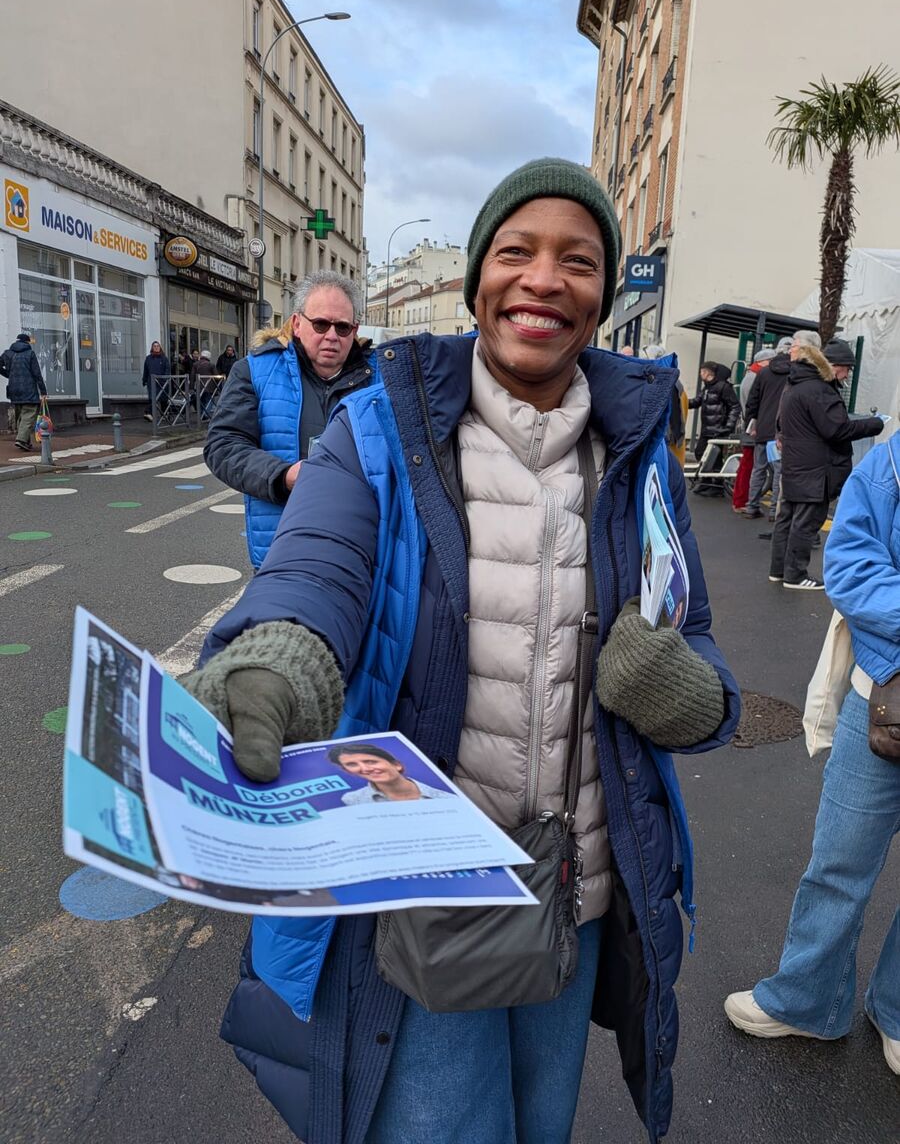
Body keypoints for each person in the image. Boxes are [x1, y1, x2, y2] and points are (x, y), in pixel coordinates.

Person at [184, 158, 740, 1144]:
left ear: (603, 296)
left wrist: (685, 695)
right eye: (517, 251)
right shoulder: (379, 428)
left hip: (577, 885)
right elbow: (314, 566)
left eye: (577, 259)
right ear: (479, 278)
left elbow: (691, 639)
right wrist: (277, 660)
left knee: (538, 1124)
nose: (543, 278)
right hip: (427, 887)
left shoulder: (639, 453)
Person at [726, 433, 900, 1075]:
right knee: (838, 861)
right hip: (885, 692)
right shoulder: (892, 463)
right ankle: (806, 1000)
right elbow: (852, 566)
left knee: (839, 862)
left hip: (886, 682)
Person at [204, 271, 377, 569]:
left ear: (355, 329)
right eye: (321, 324)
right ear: (297, 324)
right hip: (284, 549)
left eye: (343, 327)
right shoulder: (256, 371)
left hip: (363, 550)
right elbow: (223, 446)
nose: (332, 336)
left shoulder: (382, 379)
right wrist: (283, 476)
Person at [769, 340, 883, 591]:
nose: (847, 374)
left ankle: (778, 571)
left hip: (795, 462)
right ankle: (795, 575)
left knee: (787, 519)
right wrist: (874, 424)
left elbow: (780, 423)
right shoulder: (820, 390)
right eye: (846, 368)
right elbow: (837, 429)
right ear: (833, 366)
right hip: (817, 467)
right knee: (806, 523)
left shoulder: (794, 385)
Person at [742, 339, 793, 519]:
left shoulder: (763, 373)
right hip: (781, 430)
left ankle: (751, 506)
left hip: (762, 429)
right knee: (779, 471)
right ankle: (774, 511)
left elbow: (752, 402)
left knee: (758, 468)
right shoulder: (794, 374)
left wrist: (752, 424)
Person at [328, 743, 454, 804]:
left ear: (397, 765)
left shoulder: (447, 799)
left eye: (371, 761)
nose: (365, 768)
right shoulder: (351, 800)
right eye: (352, 765)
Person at [732, 347, 777, 511]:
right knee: (750, 465)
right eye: (771, 361)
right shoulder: (756, 378)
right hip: (755, 427)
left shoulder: (749, 376)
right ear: (763, 362)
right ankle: (742, 500)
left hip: (751, 425)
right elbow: (753, 403)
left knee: (749, 464)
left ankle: (741, 500)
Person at [688, 361, 740, 496]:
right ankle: (706, 481)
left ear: (708, 373)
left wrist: (728, 426)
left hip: (718, 429)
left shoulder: (723, 387)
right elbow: (696, 401)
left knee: (715, 459)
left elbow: (735, 407)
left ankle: (716, 486)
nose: (700, 374)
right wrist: (682, 402)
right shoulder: (707, 387)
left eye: (702, 371)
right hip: (708, 428)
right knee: (700, 453)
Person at [643, 342, 689, 467]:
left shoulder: (666, 384)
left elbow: (672, 424)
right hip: (670, 448)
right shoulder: (676, 384)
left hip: (666, 448)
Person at [0, 331, 47, 451]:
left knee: (21, 416)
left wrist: (9, 375)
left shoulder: (7, 353)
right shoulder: (30, 353)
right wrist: (43, 391)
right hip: (29, 389)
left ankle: (25, 443)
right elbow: (37, 374)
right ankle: (21, 439)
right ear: (27, 342)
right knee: (29, 415)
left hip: (14, 389)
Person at [141, 340, 170, 420]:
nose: (156, 348)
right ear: (152, 348)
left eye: (158, 346)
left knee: (163, 399)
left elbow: (167, 370)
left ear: (160, 348)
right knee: (153, 398)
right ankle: (149, 413)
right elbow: (146, 370)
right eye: (155, 346)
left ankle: (165, 413)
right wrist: (144, 380)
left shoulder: (164, 358)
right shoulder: (148, 358)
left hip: (162, 382)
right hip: (152, 381)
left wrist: (165, 379)